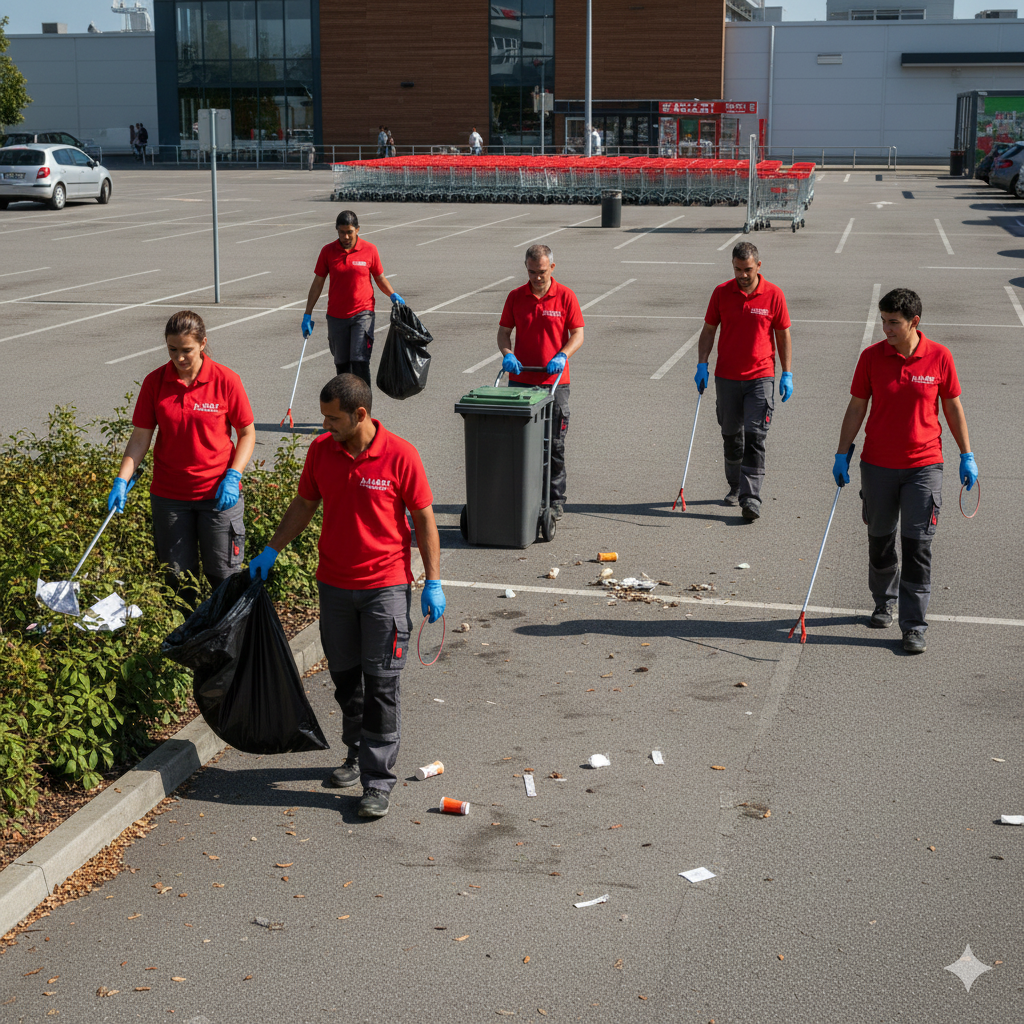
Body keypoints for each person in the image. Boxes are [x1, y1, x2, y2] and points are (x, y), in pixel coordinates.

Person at [248, 374, 445, 818]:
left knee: (381, 686)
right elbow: (304, 503)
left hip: (385, 587)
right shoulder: (322, 452)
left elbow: (425, 520)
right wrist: (271, 549)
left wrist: (432, 580)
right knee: (345, 682)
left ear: (360, 414)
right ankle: (355, 753)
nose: (325, 426)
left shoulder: (400, 455)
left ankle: (377, 781)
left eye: (332, 418)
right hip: (334, 585)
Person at [832, 288, 978, 655]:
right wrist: (841, 453)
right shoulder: (871, 358)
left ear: (915, 322)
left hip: (923, 467)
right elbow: (856, 407)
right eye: (883, 321)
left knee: (917, 547)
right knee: (880, 542)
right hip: (877, 465)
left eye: (893, 322)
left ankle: (913, 625)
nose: (886, 329)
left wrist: (966, 454)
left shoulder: (940, 357)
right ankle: (884, 600)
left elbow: (953, 407)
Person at [109, 310, 256, 610]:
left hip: (218, 497)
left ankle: (227, 649)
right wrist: (121, 479)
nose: (179, 358)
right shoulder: (155, 383)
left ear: (203, 343)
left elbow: (247, 433)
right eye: (172, 350)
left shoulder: (226, 380)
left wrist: (234, 475)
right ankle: (186, 647)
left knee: (224, 577)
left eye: (186, 350)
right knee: (177, 581)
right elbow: (140, 439)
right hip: (170, 498)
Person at [694, 240, 793, 521]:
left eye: (748, 269)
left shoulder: (774, 295)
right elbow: (709, 330)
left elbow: (783, 335)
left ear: (758, 266)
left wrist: (787, 372)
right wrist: (702, 363)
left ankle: (751, 498)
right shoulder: (722, 293)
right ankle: (735, 486)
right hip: (726, 376)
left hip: (760, 377)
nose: (743, 275)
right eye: (738, 269)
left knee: (756, 436)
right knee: (731, 435)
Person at [497, 244, 584, 519]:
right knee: (520, 444)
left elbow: (578, 334)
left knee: (554, 443)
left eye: (542, 272)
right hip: (521, 381)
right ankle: (524, 496)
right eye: (532, 271)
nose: (537, 277)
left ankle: (556, 500)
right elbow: (503, 333)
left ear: (552, 268)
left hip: (553, 382)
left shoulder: (566, 296)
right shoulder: (515, 297)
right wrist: (507, 353)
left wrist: (562, 355)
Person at [301, 210, 404, 389]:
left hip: (362, 313)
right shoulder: (328, 251)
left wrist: (392, 295)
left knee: (360, 360)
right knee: (342, 365)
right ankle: (346, 409)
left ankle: (365, 409)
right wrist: (307, 314)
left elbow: (380, 278)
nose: (346, 236)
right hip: (336, 316)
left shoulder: (369, 250)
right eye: (342, 232)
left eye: (349, 231)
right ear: (337, 231)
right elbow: (318, 283)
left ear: (357, 230)